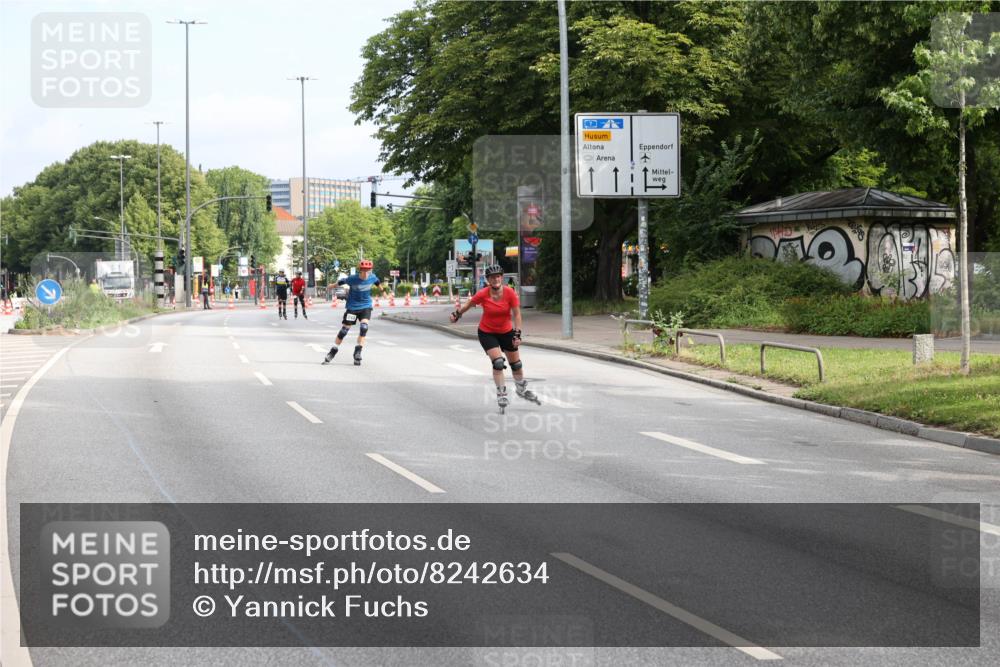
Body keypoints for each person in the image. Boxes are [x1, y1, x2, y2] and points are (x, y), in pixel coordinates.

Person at [449, 263, 538, 412]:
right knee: (498, 363)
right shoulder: (483, 293)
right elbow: (469, 304)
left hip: (506, 331)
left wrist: (517, 334)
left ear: (501, 278)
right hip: (487, 332)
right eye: (492, 277)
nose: (495, 279)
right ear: (488, 280)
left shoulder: (510, 293)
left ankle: (520, 388)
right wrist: (457, 314)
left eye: (498, 277)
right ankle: (501, 393)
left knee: (516, 365)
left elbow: (517, 314)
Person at [323, 260, 381, 366]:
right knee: (344, 331)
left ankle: (357, 352)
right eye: (364, 271)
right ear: (360, 270)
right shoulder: (352, 278)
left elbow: (377, 282)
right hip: (352, 307)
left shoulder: (372, 277)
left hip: (366, 306)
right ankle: (333, 351)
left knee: (364, 327)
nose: (366, 273)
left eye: (368, 271)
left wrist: (383, 290)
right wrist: (332, 285)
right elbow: (341, 282)